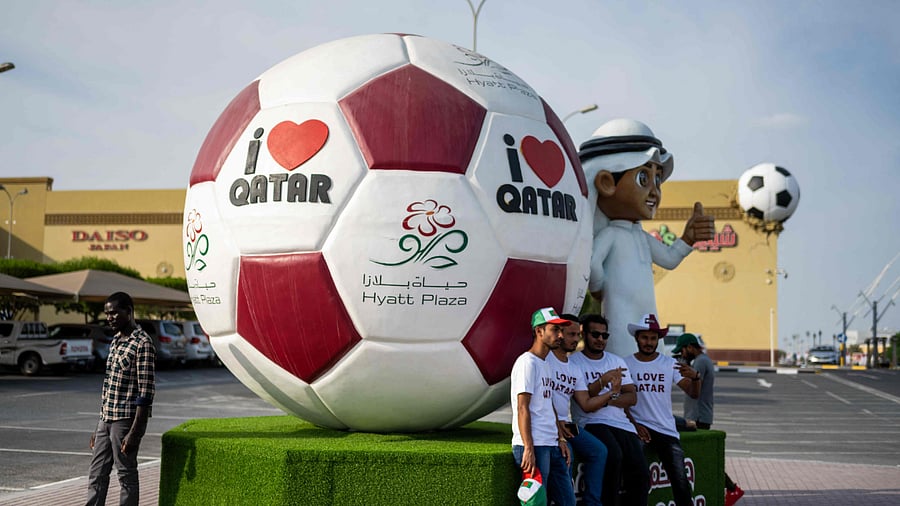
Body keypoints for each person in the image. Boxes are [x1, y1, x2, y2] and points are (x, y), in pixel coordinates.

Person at [578, 118, 715, 357]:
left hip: (649, 322)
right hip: (619, 322)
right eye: (644, 178)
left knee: (651, 367)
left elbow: (670, 259)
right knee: (623, 364)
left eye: (658, 180)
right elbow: (592, 264)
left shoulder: (641, 237)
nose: (654, 190)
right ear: (606, 183)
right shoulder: (610, 235)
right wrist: (599, 288)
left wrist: (688, 239)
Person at [86, 292, 156, 506]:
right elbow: (108, 386)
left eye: (115, 313)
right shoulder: (115, 341)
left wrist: (135, 433)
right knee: (96, 474)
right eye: (107, 314)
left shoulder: (142, 343)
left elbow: (146, 394)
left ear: (129, 311)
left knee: (125, 475)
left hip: (125, 421)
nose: (110, 318)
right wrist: (98, 424)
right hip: (106, 419)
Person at [569, 313, 646, 506]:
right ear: (583, 334)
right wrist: (604, 380)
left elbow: (631, 397)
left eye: (605, 336)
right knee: (614, 456)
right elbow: (584, 401)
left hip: (620, 423)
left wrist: (606, 400)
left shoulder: (616, 361)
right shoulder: (574, 362)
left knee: (640, 469)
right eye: (595, 334)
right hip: (591, 423)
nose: (600, 339)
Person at [623, 313, 699, 506]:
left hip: (666, 430)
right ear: (637, 338)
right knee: (637, 477)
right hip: (638, 429)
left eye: (653, 338)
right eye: (645, 337)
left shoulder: (669, 364)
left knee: (681, 483)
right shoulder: (625, 364)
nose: (648, 342)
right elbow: (622, 401)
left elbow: (692, 393)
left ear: (658, 340)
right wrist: (635, 424)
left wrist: (696, 378)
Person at [510, 307, 575, 506]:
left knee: (568, 501)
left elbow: (549, 404)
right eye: (554, 330)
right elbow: (522, 408)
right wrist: (528, 447)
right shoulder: (526, 362)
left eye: (561, 331)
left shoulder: (545, 363)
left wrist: (561, 438)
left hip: (551, 444)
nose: (560, 335)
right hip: (534, 445)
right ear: (539, 332)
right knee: (537, 503)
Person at [673, 333, 744, 505]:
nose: (682, 354)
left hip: (698, 416)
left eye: (683, 351)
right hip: (698, 413)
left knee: (704, 456)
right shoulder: (702, 361)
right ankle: (731, 488)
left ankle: (732, 488)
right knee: (702, 455)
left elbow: (694, 387)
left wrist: (681, 368)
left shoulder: (700, 362)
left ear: (690, 347)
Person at [547, 313, 609, 506]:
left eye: (578, 335)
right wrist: (558, 429)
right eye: (571, 334)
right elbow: (543, 398)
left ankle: (592, 503)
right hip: (548, 424)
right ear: (558, 334)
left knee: (599, 451)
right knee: (568, 456)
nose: (576, 340)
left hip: (567, 425)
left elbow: (585, 403)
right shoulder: (545, 360)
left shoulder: (573, 367)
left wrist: (611, 391)